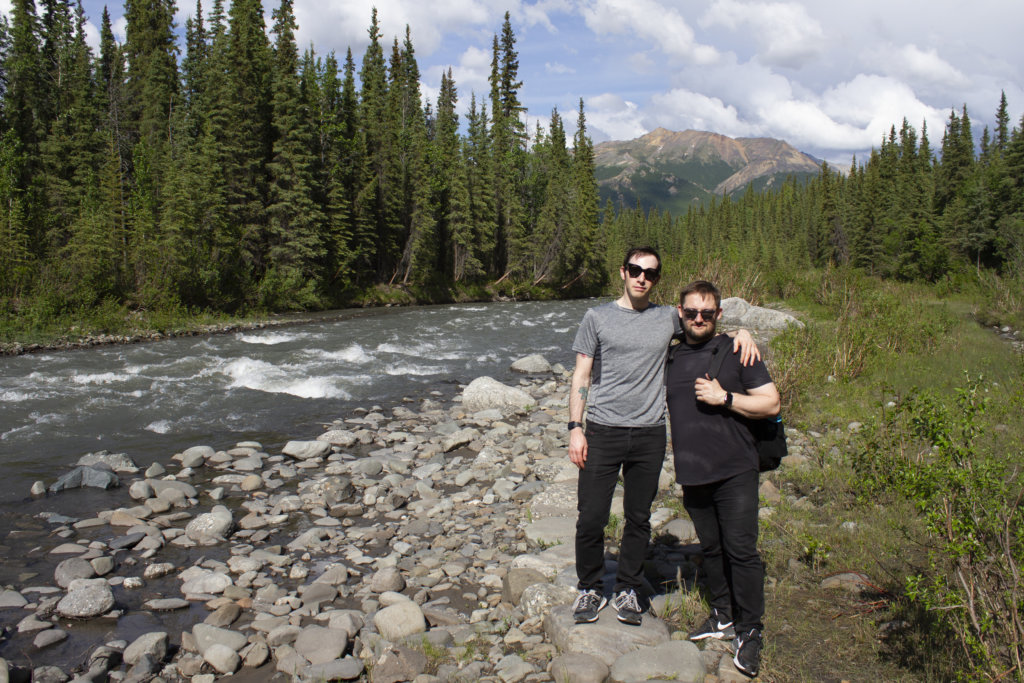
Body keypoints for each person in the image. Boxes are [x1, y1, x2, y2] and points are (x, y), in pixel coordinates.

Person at [568, 249, 758, 626]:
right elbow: (581, 376)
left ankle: (626, 587)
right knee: (591, 516)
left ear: (657, 279)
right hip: (603, 429)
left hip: (650, 432)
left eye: (650, 273)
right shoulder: (597, 317)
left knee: (639, 518)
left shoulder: (666, 317)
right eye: (636, 270)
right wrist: (576, 427)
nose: (642, 278)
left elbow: (701, 323)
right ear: (622, 272)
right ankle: (590, 586)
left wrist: (742, 331)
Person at [665, 280, 780, 677]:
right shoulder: (671, 355)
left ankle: (751, 631)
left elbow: (771, 402)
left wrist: (725, 398)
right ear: (680, 314)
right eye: (692, 313)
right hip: (693, 472)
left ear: (718, 315)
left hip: (735, 468)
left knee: (741, 551)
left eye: (708, 313)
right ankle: (723, 615)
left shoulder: (736, 350)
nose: (699, 319)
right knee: (711, 548)